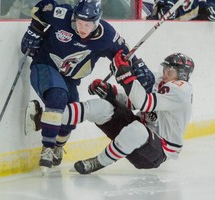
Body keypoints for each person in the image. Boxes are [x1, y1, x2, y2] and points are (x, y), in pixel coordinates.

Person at [21, 0, 152, 172]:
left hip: (70, 79)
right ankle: (47, 148)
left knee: (71, 114)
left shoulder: (107, 36)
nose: (83, 28)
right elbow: (41, 8)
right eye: (80, 23)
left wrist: (137, 67)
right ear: (75, 16)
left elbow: (124, 53)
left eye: (88, 25)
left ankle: (58, 146)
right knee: (57, 96)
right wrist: (34, 29)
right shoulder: (63, 16)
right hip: (44, 65)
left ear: (97, 22)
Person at [65, 52, 194, 174]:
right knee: (102, 107)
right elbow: (133, 102)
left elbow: (143, 103)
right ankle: (56, 117)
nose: (165, 74)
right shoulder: (161, 80)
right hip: (134, 131)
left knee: (137, 130)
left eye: (169, 71)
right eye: (164, 70)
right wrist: (111, 92)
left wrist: (126, 78)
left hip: (156, 152)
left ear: (182, 74)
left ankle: (98, 162)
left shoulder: (181, 90)